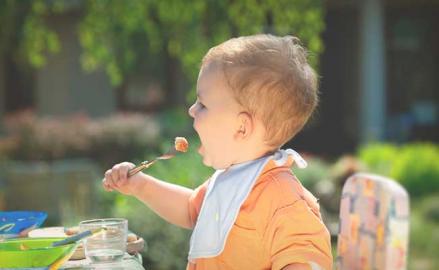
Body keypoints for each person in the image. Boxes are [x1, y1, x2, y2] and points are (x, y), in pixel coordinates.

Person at [103, 34, 333, 270]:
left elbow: (307, 261)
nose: (192, 110)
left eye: (203, 104)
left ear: (241, 128)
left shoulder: (285, 202)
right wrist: (140, 185)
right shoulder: (230, 179)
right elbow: (191, 210)